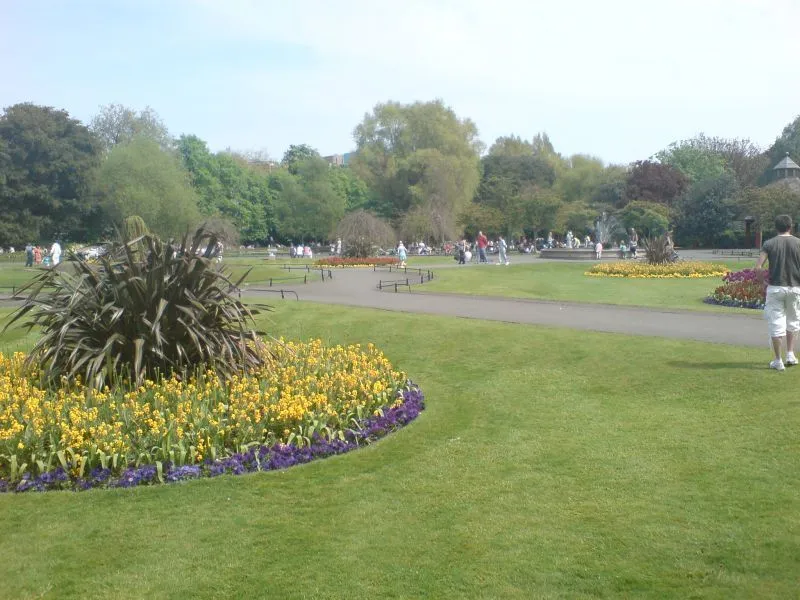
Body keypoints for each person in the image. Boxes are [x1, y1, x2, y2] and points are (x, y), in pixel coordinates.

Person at [756, 214, 800, 371]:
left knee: (776, 323)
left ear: (776, 227)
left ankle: (778, 360)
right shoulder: (798, 243)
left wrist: (762, 283)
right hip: (795, 287)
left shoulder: (769, 244)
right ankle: (790, 354)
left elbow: (759, 267)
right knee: (793, 321)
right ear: (790, 226)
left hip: (776, 287)